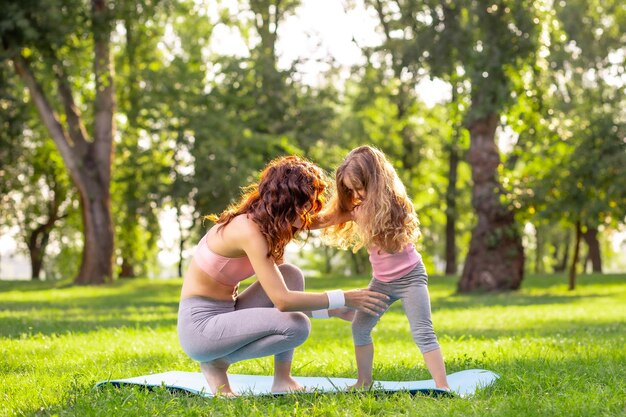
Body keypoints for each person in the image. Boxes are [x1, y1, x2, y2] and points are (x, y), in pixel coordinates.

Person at [177, 155, 389, 396]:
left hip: (228, 312)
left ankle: (283, 379)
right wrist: (344, 298)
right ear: (286, 203)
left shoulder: (267, 225)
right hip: (200, 328)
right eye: (304, 207)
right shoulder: (248, 230)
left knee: (290, 275)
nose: (306, 217)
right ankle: (216, 362)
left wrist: (356, 209)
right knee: (297, 326)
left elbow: (318, 222)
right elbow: (283, 301)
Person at [321, 145, 450, 390]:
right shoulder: (358, 209)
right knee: (360, 328)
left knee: (423, 331)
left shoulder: (396, 205)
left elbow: (392, 246)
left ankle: (443, 387)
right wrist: (294, 223)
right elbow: (325, 220)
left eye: (360, 187)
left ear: (375, 181)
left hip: (411, 278)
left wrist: (367, 218)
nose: (357, 194)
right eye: (351, 189)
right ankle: (364, 382)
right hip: (381, 283)